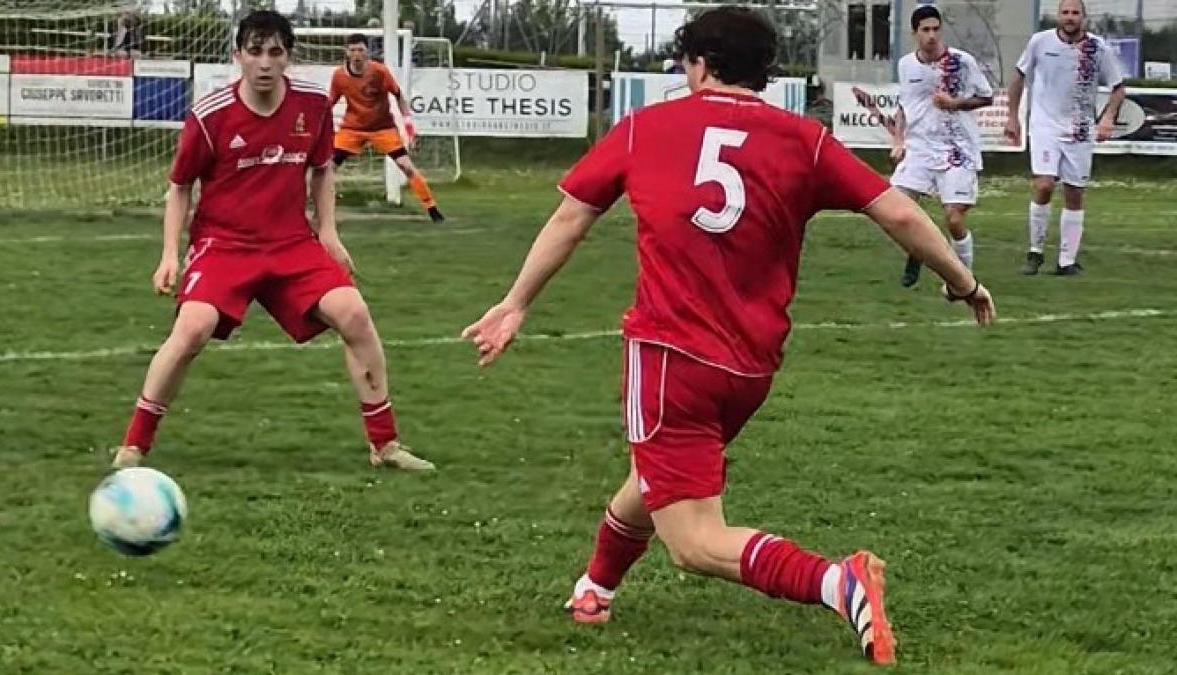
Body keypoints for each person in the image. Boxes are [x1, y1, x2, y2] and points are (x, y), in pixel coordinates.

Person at [461, 7, 996, 667]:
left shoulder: (645, 129)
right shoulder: (807, 140)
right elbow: (899, 212)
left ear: (698, 64)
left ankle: (838, 580)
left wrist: (515, 302)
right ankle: (596, 587)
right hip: (749, 370)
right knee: (651, 480)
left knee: (691, 538)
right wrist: (965, 283)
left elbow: (573, 215)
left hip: (671, 357)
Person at [110, 10, 434, 473]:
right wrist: (169, 254)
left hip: (290, 244)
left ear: (289, 58)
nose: (265, 62)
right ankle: (134, 444)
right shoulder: (210, 116)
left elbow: (322, 169)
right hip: (223, 244)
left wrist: (328, 233)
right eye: (255, 52)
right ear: (237, 56)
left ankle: (385, 446)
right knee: (192, 328)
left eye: (275, 52)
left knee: (354, 313)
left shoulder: (313, 106)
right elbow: (180, 186)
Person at [1005, 0, 1124, 276]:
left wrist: (1107, 118)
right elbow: (1018, 78)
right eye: (1065, 13)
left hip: (1080, 130)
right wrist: (1012, 117)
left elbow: (1118, 88)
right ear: (1058, 16)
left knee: (1074, 193)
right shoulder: (1040, 42)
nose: (1070, 18)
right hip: (1045, 126)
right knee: (1045, 185)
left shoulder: (1097, 48)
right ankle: (1035, 252)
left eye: (1075, 13)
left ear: (1084, 17)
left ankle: (1066, 261)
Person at [891, 4, 993, 288]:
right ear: (915, 34)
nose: (932, 35)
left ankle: (962, 280)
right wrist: (899, 140)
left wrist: (955, 104)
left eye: (936, 29)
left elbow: (987, 98)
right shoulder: (906, 65)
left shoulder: (962, 62)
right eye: (925, 30)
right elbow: (904, 104)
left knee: (954, 219)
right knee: (897, 208)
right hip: (920, 148)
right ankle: (917, 252)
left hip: (956, 149)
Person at [328, 33, 444, 223]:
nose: (357, 54)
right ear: (347, 53)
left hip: (383, 128)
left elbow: (399, 96)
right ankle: (321, 207)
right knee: (326, 167)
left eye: (361, 50)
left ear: (368, 52)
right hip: (352, 129)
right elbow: (330, 102)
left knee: (406, 166)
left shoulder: (379, 72)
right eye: (353, 50)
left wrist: (408, 125)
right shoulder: (339, 76)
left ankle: (432, 209)